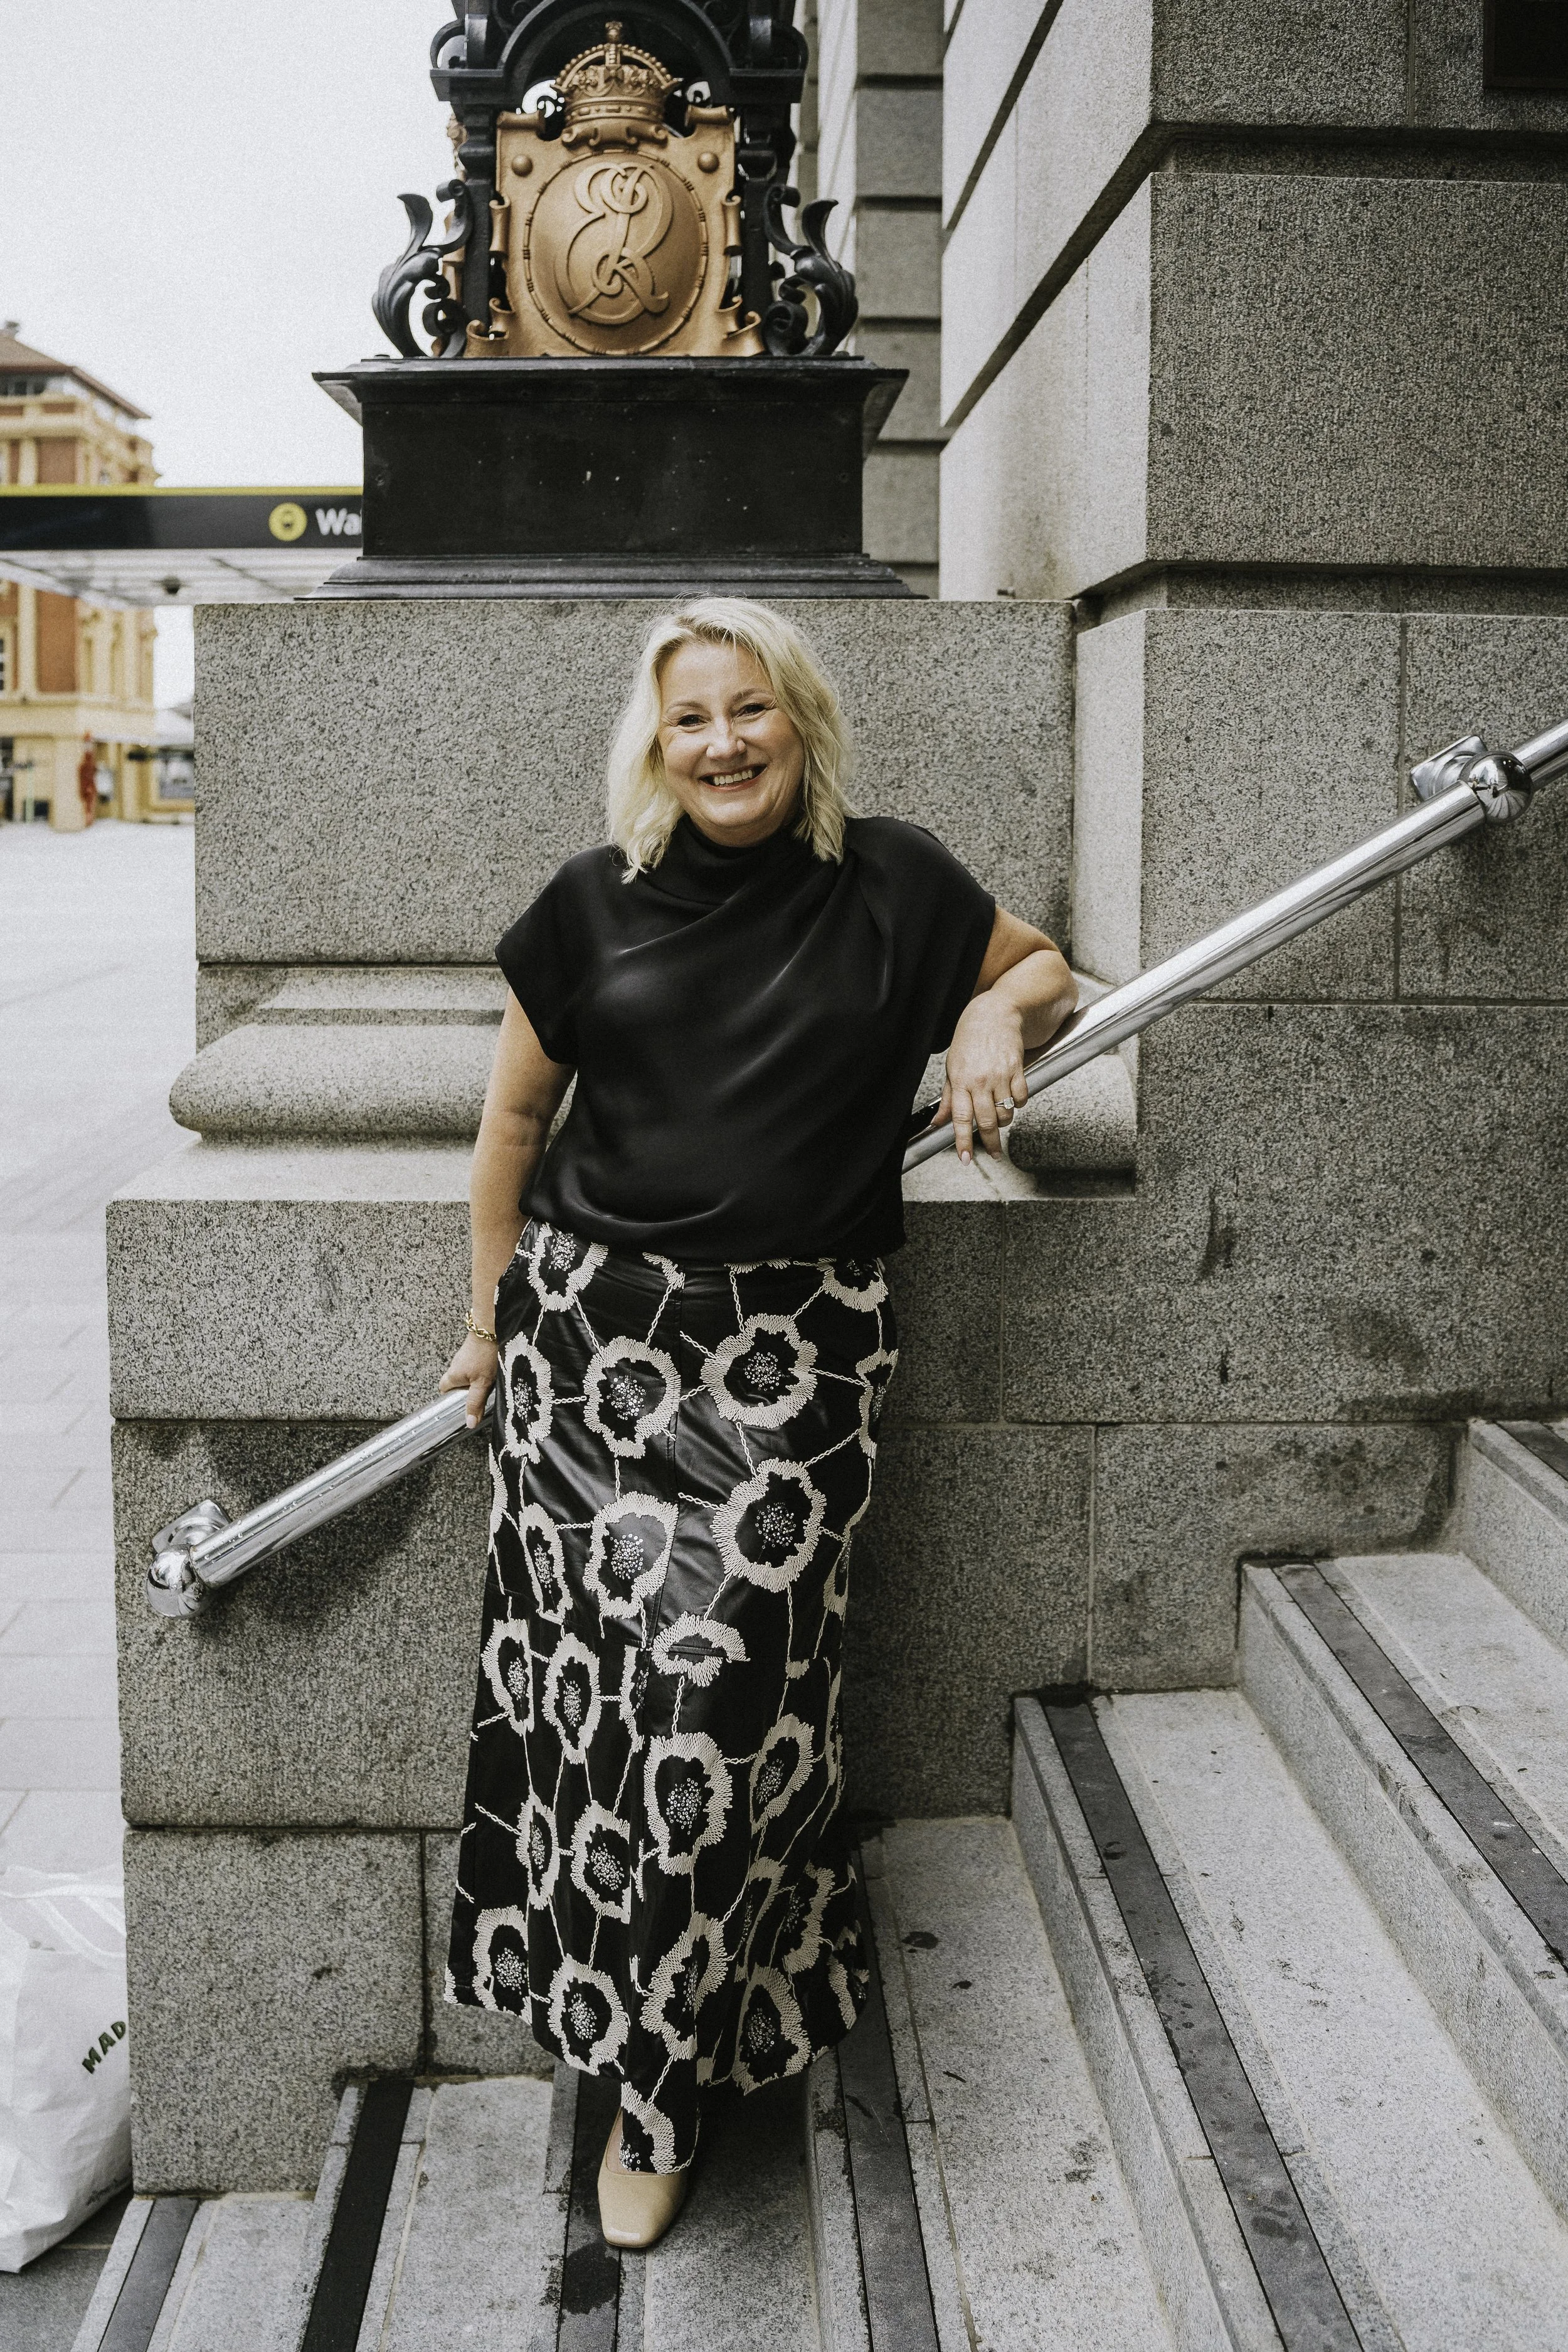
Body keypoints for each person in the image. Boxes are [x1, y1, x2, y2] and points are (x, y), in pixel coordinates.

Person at [438, 598, 1076, 2249]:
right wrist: (489, 1321)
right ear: (651, 749)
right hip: (592, 1351)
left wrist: (991, 1014)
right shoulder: (595, 905)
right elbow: (515, 1119)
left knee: (721, 1729)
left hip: (794, 1365)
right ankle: (643, 2084)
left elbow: (1040, 960)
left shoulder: (897, 880)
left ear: (798, 717)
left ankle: (688, 2043)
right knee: (598, 1733)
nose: (720, 742)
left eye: (748, 710)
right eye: (686, 721)